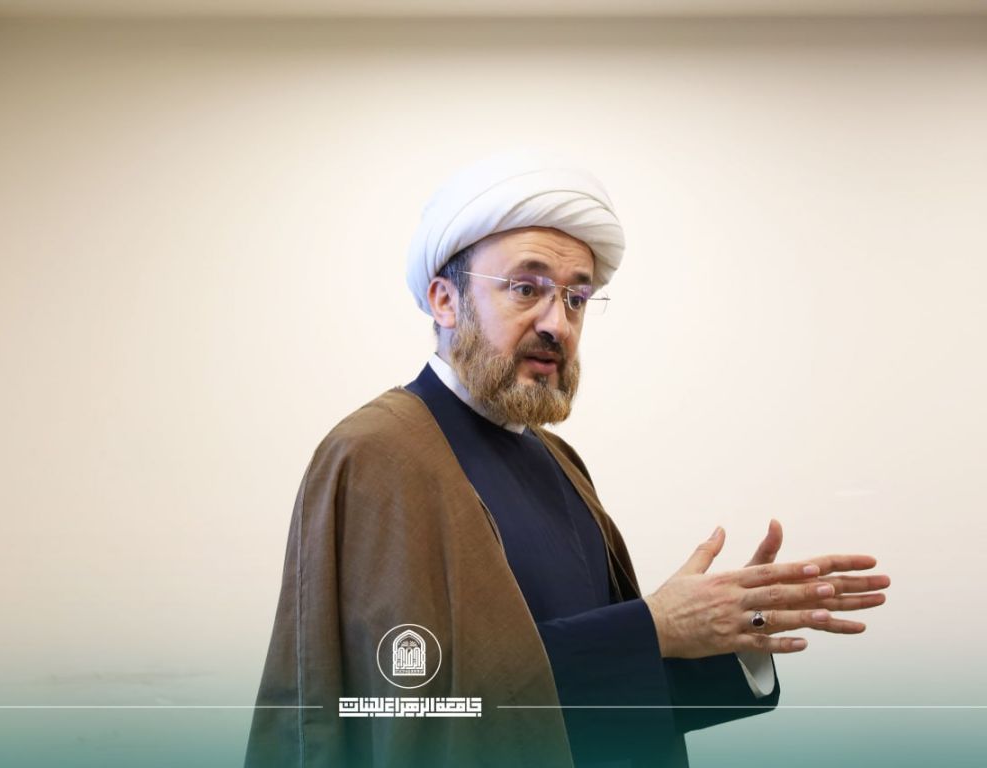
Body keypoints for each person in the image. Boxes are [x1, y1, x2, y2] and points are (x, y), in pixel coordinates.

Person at [244, 153, 889, 768]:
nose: (558, 323)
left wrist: (727, 634)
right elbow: (413, 704)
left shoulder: (557, 458)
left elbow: (594, 705)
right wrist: (651, 628)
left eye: (577, 298)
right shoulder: (378, 452)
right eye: (526, 288)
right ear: (444, 300)